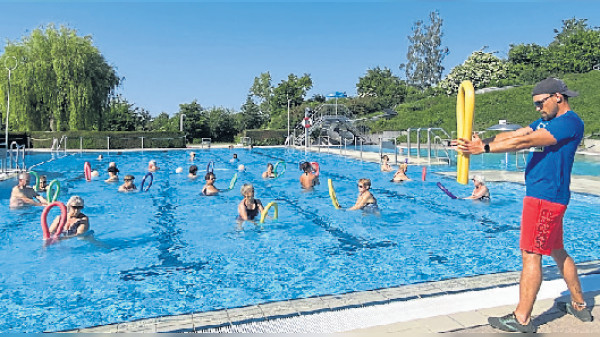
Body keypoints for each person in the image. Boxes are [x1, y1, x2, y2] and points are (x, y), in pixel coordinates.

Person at [456, 77, 591, 332]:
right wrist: (482, 140)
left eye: (541, 103)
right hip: (550, 197)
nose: (538, 109)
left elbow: (526, 142)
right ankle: (579, 304)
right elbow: (516, 134)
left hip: (545, 198)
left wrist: (483, 148)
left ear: (558, 97)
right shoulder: (547, 120)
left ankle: (522, 319)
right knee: (557, 251)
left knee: (531, 255)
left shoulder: (569, 123)